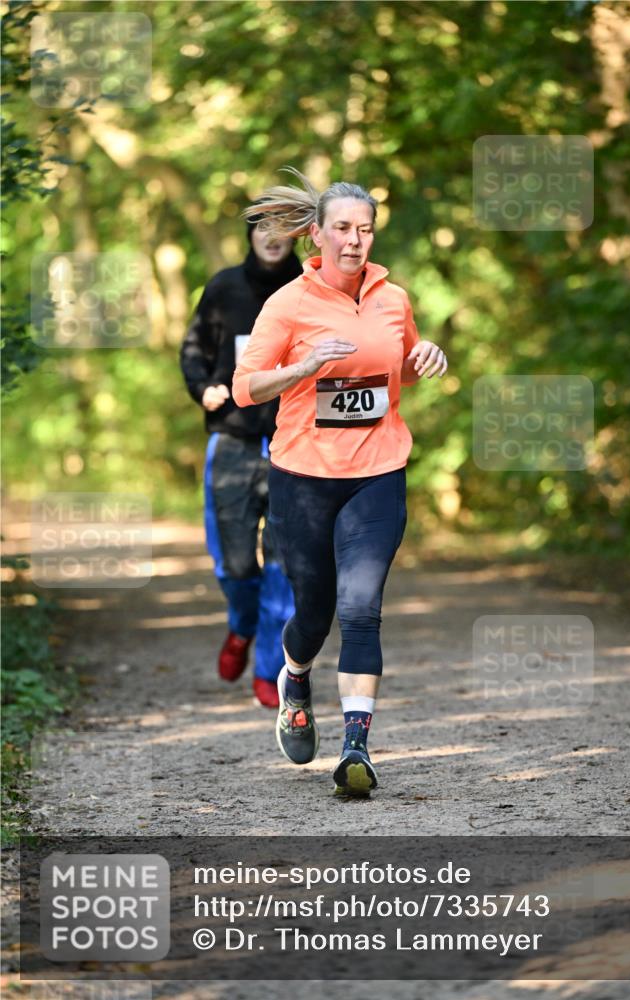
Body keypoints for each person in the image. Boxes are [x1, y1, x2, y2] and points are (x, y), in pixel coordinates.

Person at [232, 168, 447, 794]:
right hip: (302, 476)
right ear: (318, 236)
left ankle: (357, 747)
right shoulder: (288, 304)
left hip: (377, 472)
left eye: (367, 230)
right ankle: (293, 676)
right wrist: (303, 365)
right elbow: (247, 387)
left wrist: (424, 355)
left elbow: (401, 363)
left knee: (362, 609)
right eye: (344, 229)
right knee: (315, 612)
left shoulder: (393, 297)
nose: (356, 240)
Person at [180, 220, 302, 707]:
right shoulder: (224, 287)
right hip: (232, 441)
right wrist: (203, 388)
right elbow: (193, 350)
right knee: (234, 563)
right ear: (249, 235)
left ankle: (270, 666)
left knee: (284, 563)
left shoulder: (310, 288)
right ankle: (241, 626)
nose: (273, 238)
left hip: (295, 441)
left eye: (283, 229)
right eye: (263, 229)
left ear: (296, 236)